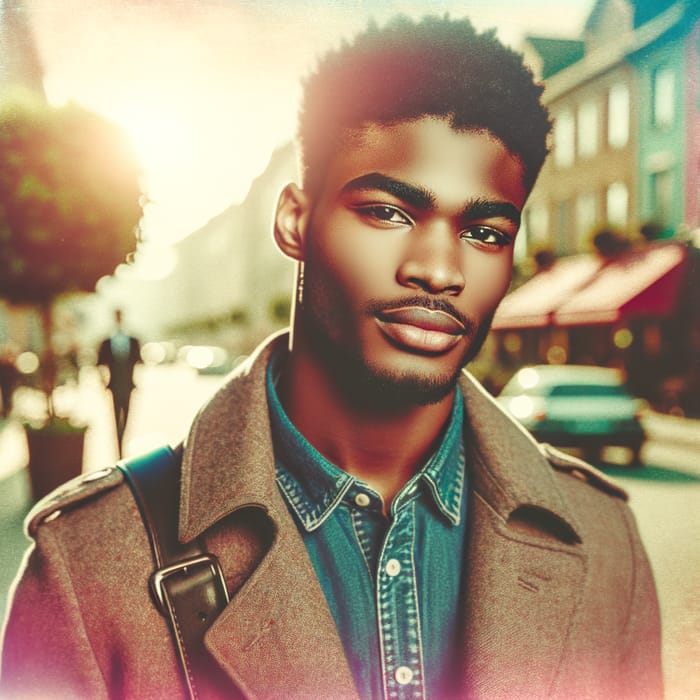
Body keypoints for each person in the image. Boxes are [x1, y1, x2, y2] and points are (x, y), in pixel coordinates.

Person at [0, 15, 662, 700]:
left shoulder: (604, 541)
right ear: (294, 221)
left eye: (484, 230)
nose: (439, 269)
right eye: (388, 213)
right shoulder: (89, 562)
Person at [97, 309, 142, 456]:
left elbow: (139, 361)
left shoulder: (133, 341)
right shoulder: (107, 342)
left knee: (127, 416)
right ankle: (119, 447)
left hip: (128, 385)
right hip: (114, 386)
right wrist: (103, 381)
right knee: (116, 417)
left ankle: (123, 443)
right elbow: (99, 364)